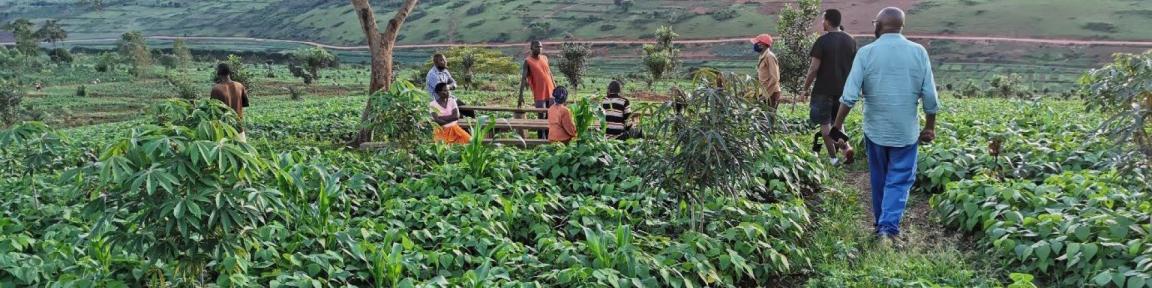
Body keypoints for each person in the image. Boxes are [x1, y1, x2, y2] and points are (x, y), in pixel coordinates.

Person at [832, 7, 940, 245]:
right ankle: (888, 229)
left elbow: (849, 96)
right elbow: (930, 96)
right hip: (906, 132)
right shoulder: (918, 52)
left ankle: (882, 225)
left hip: (875, 130)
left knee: (879, 177)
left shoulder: (867, 53)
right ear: (901, 26)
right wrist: (930, 126)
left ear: (878, 25)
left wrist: (837, 127)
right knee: (900, 179)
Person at [802, 9, 858, 166]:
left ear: (827, 21)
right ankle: (846, 148)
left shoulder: (822, 41)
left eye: (822, 19)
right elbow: (855, 68)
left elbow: (813, 69)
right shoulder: (851, 41)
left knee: (825, 124)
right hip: (843, 90)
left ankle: (833, 158)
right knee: (838, 122)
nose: (821, 23)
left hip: (823, 90)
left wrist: (805, 88)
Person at [518, 40, 556, 138]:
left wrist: (556, 88)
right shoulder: (528, 61)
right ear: (531, 48)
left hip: (551, 92)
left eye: (540, 46)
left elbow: (550, 74)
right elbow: (523, 78)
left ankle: (549, 138)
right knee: (541, 117)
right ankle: (541, 140)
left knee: (549, 116)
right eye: (537, 47)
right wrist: (520, 96)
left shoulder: (545, 58)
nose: (539, 48)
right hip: (540, 94)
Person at [210, 63, 250, 142]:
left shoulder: (216, 89)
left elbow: (213, 110)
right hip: (238, 126)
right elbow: (245, 104)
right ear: (229, 72)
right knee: (242, 152)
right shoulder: (240, 86)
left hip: (223, 128)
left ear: (218, 73)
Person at [752, 34, 781, 115]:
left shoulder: (769, 57)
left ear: (762, 44)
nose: (755, 45)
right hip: (764, 91)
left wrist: (765, 94)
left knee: (768, 118)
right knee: (762, 118)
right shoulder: (762, 56)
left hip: (770, 93)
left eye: (756, 43)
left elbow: (775, 78)